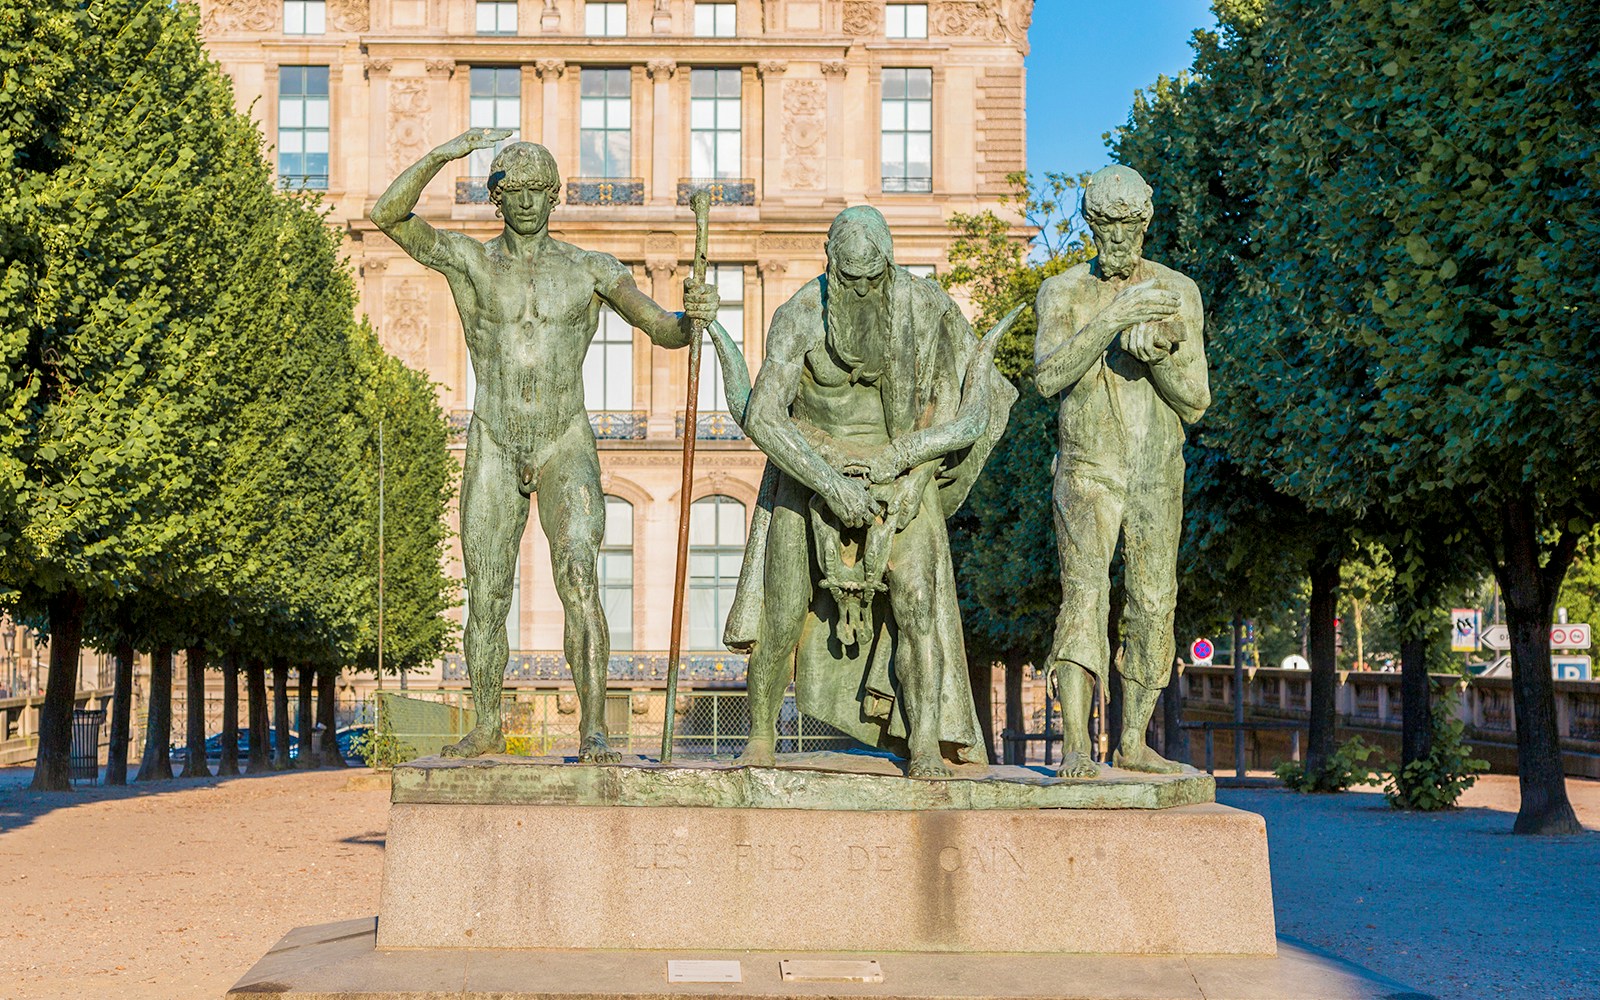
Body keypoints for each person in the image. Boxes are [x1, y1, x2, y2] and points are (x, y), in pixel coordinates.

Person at [372, 129, 720, 760]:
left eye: (539, 189)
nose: (527, 200)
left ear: (555, 196)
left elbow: (664, 331)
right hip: (496, 440)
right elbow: (387, 215)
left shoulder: (590, 270)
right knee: (487, 592)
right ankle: (485, 725)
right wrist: (441, 156)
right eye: (513, 189)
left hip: (565, 441)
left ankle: (592, 729)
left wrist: (692, 315)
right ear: (495, 198)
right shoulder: (470, 261)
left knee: (581, 579)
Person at [717, 206, 1015, 777]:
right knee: (781, 611)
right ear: (831, 265)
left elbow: (961, 406)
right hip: (809, 475)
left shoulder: (926, 308)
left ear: (889, 263)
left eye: (871, 278)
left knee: (919, 609)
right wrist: (829, 482)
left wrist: (915, 477)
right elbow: (763, 413)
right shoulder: (802, 312)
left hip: (903, 475)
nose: (860, 289)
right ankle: (759, 739)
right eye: (848, 279)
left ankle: (925, 744)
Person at [1033, 165, 1210, 777]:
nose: (1119, 240)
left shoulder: (1178, 291)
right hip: (1087, 465)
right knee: (1084, 595)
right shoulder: (1063, 292)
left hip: (1157, 471)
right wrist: (1111, 321)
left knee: (1154, 601)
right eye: (1108, 227)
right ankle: (1078, 747)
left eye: (1130, 227)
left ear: (1146, 222)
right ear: (1090, 223)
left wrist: (1156, 356)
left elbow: (1195, 401)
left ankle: (1131, 741)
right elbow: (1048, 378)